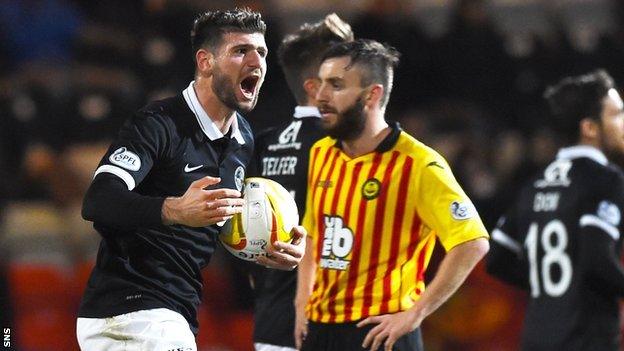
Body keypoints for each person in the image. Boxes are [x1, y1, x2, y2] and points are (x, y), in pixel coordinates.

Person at [75, 9, 306, 351]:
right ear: (205, 61)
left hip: (173, 313)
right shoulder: (159, 124)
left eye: (262, 52)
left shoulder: (243, 137)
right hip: (131, 311)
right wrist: (174, 210)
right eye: (241, 50)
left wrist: (272, 245)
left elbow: (233, 223)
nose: (256, 60)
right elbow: (98, 200)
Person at [294, 39, 490, 351]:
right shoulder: (322, 152)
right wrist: (302, 300)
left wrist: (415, 314)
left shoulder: (419, 164)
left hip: (379, 332)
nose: (321, 96)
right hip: (321, 330)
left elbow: (472, 243)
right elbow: (314, 235)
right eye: (320, 84)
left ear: (372, 95)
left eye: (336, 85)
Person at [487, 70, 624, 351]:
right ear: (590, 128)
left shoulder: (535, 184)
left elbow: (497, 259)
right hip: (586, 338)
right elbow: (597, 259)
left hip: (537, 337)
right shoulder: (605, 180)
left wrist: (549, 288)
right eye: (617, 115)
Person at [247, 13, 353, 351]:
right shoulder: (346, 145)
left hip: (271, 323)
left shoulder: (258, 143)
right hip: (333, 324)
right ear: (314, 86)